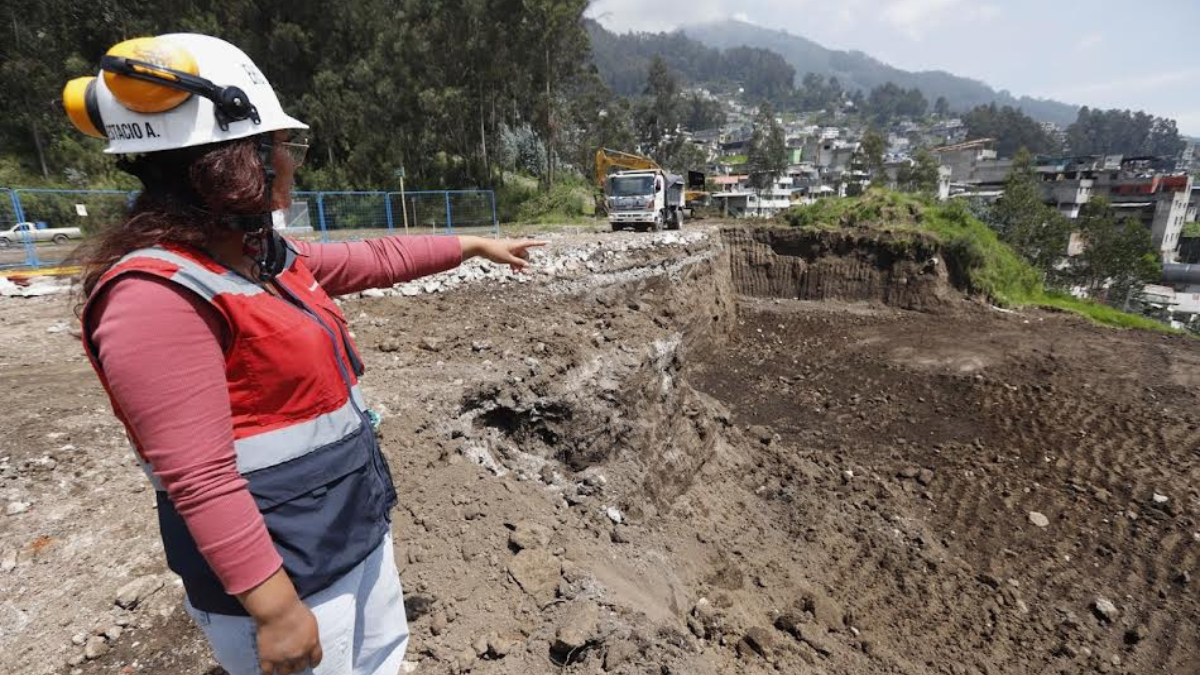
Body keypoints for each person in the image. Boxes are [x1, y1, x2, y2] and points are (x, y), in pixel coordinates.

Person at [66, 34, 543, 675]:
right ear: (234, 160)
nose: (292, 161)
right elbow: (199, 477)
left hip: (344, 536)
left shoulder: (260, 258)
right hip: (287, 575)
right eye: (282, 147)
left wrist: (471, 245)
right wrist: (274, 609)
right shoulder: (154, 299)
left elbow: (375, 259)